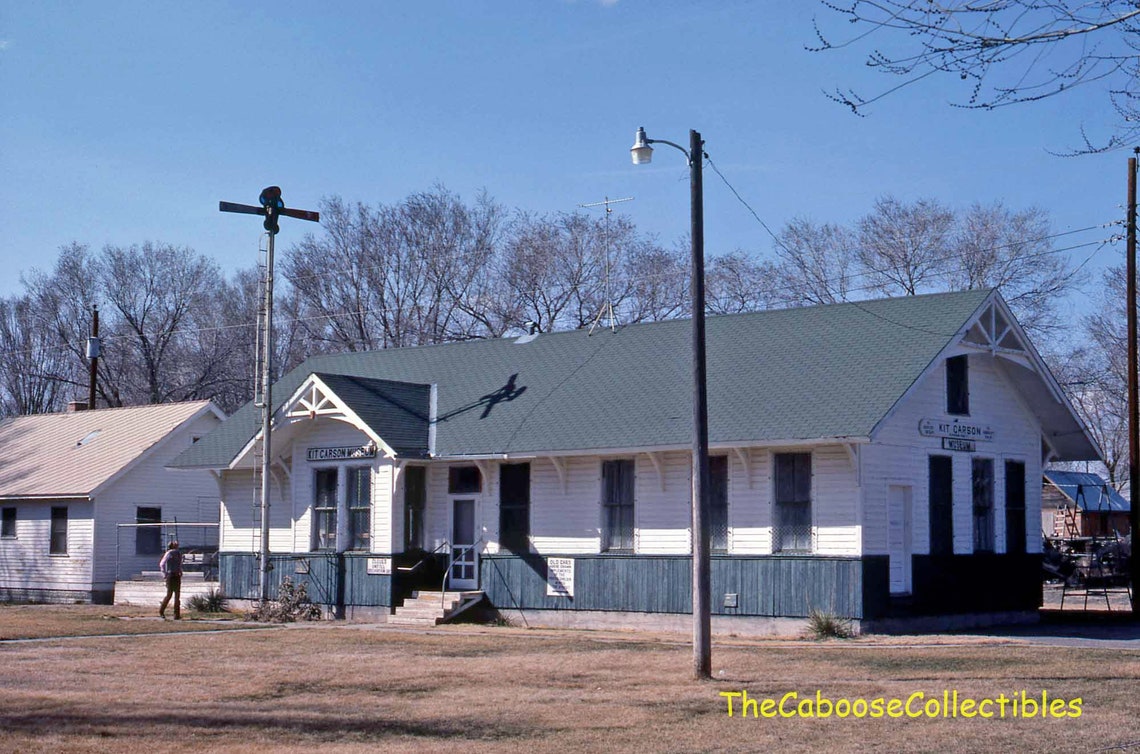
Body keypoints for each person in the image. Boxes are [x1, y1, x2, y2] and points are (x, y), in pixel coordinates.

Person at [159, 540, 183, 620]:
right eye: (175, 544)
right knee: (169, 594)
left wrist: (180, 571)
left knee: (177, 595)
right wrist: (164, 574)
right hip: (171, 575)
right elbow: (162, 564)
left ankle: (177, 615)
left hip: (177, 575)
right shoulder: (169, 553)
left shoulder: (179, 553)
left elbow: (179, 564)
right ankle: (161, 610)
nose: (177, 544)